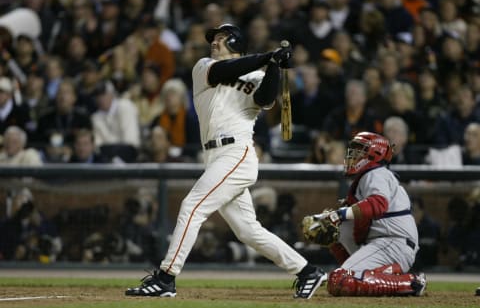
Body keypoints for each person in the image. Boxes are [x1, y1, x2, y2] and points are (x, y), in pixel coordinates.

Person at [125, 23, 326, 299]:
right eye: (214, 39)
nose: (215, 43)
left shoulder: (257, 74)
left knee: (192, 206)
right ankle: (307, 271)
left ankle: (166, 277)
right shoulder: (204, 66)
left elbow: (266, 100)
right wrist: (268, 56)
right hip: (214, 156)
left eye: (221, 38)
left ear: (235, 43)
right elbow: (226, 71)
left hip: (237, 152)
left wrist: (275, 66)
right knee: (248, 231)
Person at [303, 132, 427, 296]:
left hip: (393, 241)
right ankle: (370, 275)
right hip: (383, 241)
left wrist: (338, 215)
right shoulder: (369, 176)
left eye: (360, 150)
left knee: (338, 280)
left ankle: (410, 283)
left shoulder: (376, 173)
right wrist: (331, 224)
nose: (353, 154)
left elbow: (378, 204)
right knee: (336, 231)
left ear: (374, 153)